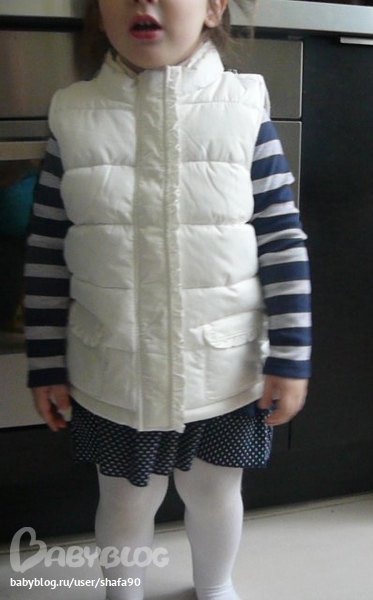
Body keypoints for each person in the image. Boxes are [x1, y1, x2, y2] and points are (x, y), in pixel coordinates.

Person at [24, 1, 312, 599]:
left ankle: (216, 584)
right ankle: (122, 591)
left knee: (215, 492)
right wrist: (46, 362)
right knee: (125, 499)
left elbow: (282, 238)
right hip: (115, 368)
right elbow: (48, 248)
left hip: (222, 366)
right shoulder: (74, 114)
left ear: (213, 8)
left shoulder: (242, 108)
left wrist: (290, 353)